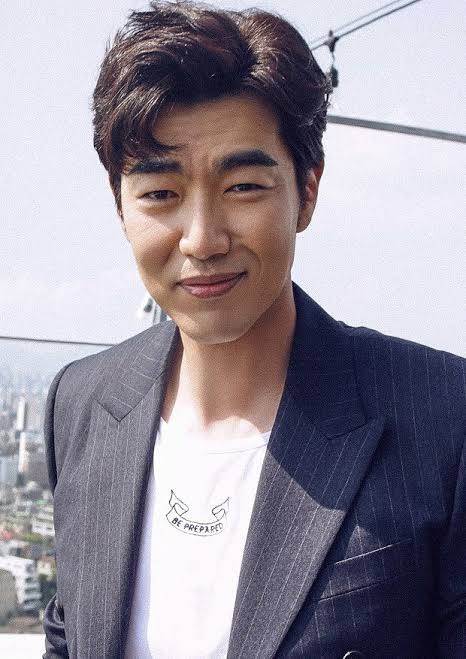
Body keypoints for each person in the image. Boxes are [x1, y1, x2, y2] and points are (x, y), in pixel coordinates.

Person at [42, 2, 465, 657]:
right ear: (120, 207)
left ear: (307, 191)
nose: (203, 239)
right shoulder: (81, 402)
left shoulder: (442, 417)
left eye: (242, 186)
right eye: (160, 194)